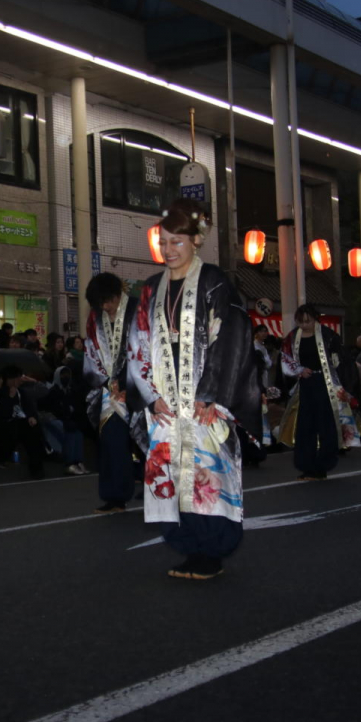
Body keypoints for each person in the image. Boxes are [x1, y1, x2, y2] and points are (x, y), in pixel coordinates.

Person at [127, 199, 261, 581]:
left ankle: (212, 551)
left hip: (203, 398)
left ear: (196, 241)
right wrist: (150, 397)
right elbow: (136, 342)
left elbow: (231, 337)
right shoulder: (150, 289)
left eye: (177, 242)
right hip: (166, 401)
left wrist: (212, 394)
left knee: (207, 475)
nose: (169, 250)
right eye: (164, 242)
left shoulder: (215, 282)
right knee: (170, 474)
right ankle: (187, 547)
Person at [279, 304, 361, 480]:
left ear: (316, 318)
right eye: (301, 322)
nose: (304, 325)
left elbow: (344, 362)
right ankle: (306, 466)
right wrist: (299, 370)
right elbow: (285, 358)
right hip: (305, 387)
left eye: (308, 321)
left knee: (327, 427)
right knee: (304, 427)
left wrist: (346, 387)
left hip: (327, 386)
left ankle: (323, 466)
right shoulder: (292, 337)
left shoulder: (329, 336)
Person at [83, 272, 140, 513]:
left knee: (148, 443)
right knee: (111, 443)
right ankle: (114, 496)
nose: (106, 307)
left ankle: (161, 492)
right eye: (100, 303)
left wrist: (126, 382)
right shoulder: (96, 317)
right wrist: (106, 381)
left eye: (109, 301)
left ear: (119, 295)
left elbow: (146, 349)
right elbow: (91, 350)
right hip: (110, 392)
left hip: (139, 388)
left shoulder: (139, 311)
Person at [0, 365, 45, 479]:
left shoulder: (22, 393)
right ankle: (1, 457)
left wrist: (31, 417)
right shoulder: (0, 393)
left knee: (33, 431)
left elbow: (29, 408)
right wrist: (5, 395)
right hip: (5, 424)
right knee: (14, 429)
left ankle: (37, 467)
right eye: (19, 377)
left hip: (21, 423)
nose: (21, 380)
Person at [39, 365, 90, 475]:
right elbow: (54, 408)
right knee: (70, 433)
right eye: (62, 375)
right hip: (55, 418)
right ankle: (70, 463)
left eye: (67, 375)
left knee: (79, 433)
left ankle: (78, 461)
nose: (65, 377)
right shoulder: (53, 391)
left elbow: (75, 406)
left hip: (68, 418)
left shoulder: (70, 390)